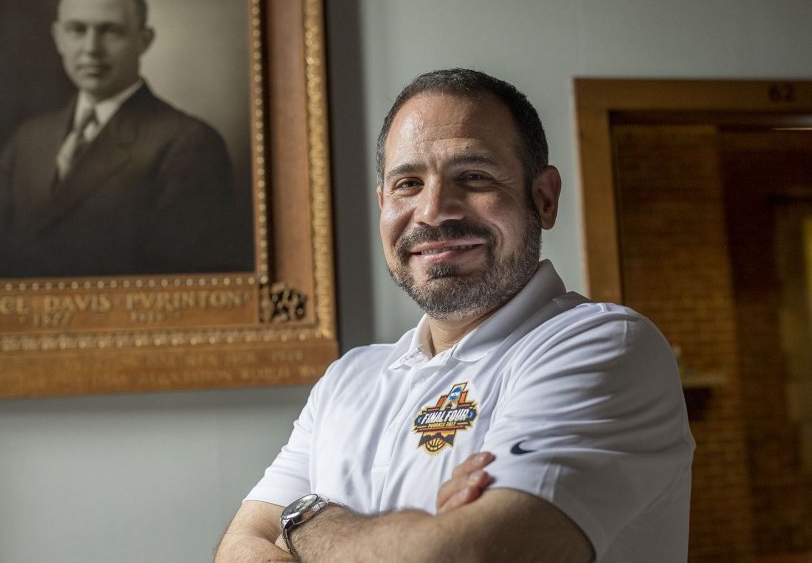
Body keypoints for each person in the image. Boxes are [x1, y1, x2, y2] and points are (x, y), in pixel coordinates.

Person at [215, 69, 695, 562]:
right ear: (383, 205)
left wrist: (305, 522)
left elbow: (468, 555)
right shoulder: (346, 380)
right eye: (408, 183)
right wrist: (419, 536)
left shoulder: (605, 346)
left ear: (544, 197)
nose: (433, 212)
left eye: (474, 177)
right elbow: (237, 550)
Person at [0, 0, 251, 278]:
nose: (91, 49)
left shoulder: (188, 143)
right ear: (58, 38)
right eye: (76, 30)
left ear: (144, 40)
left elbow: (186, 279)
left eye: (110, 31)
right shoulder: (28, 140)